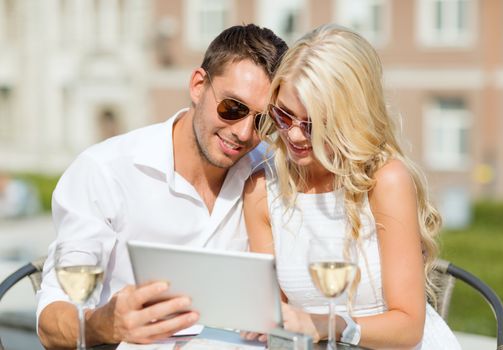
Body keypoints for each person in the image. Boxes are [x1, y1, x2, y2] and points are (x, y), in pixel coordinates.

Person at [37, 24, 287, 348]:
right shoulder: (106, 172)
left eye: (262, 121)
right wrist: (105, 324)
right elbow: (50, 323)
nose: (242, 132)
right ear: (198, 85)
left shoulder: (274, 170)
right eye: (232, 108)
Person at [243, 24, 461, 349]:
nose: (295, 135)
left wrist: (325, 325)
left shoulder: (385, 181)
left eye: (314, 123)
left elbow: (408, 326)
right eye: (284, 115)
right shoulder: (263, 190)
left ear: (349, 119)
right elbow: (276, 318)